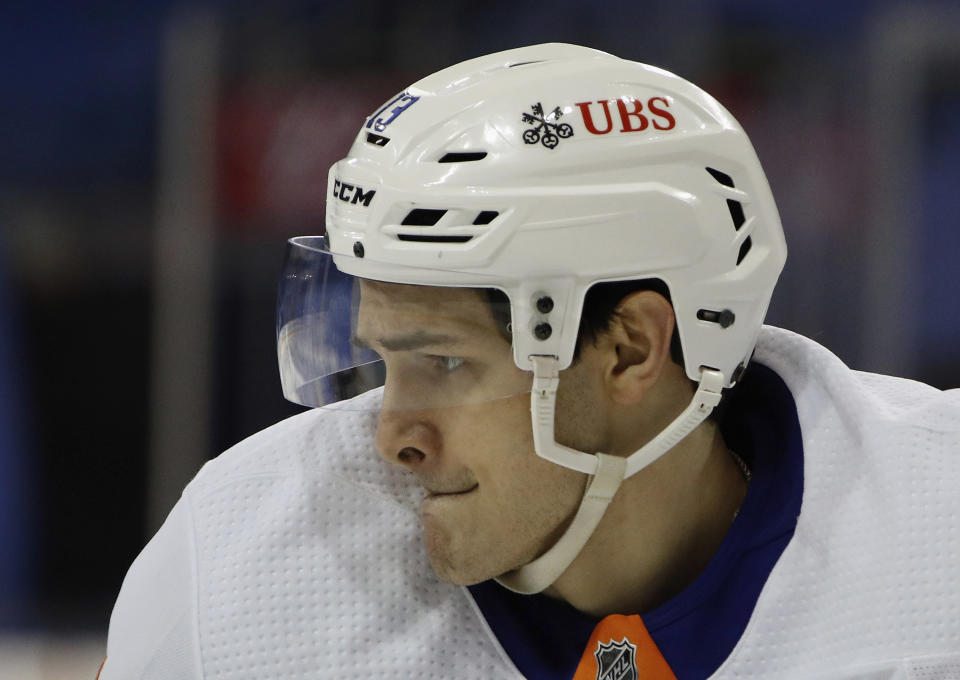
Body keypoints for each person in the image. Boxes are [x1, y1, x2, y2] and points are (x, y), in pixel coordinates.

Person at [100, 43, 960, 679]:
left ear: (630, 350)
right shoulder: (239, 557)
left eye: (443, 364)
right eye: (380, 360)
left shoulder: (936, 528)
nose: (391, 436)